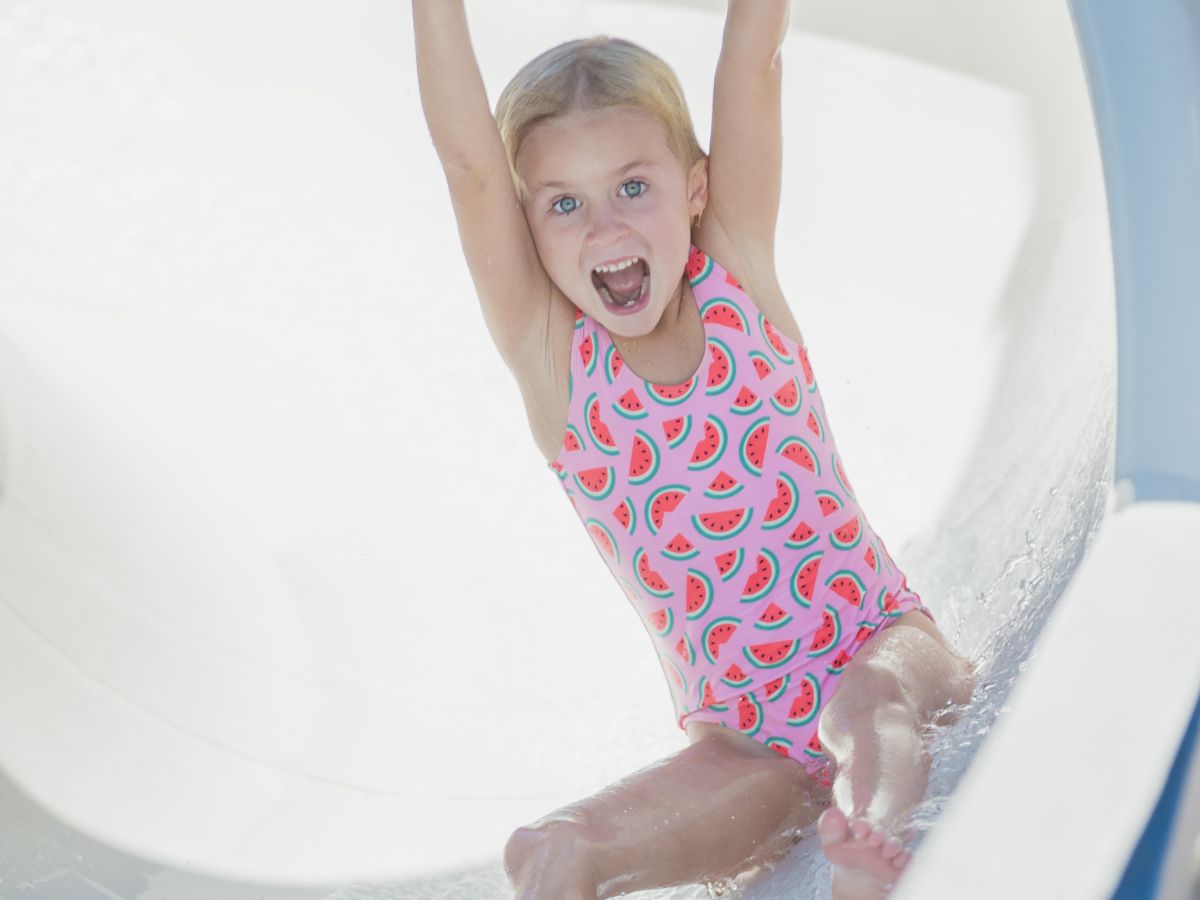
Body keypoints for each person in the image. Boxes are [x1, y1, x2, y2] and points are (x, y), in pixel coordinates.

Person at [412, 2, 976, 898]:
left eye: (634, 186)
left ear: (698, 190)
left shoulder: (738, 273)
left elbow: (754, 60)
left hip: (883, 641)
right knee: (554, 849)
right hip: (744, 746)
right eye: (565, 204)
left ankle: (866, 848)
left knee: (872, 707)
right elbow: (469, 167)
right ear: (527, 235)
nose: (605, 227)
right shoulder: (557, 366)